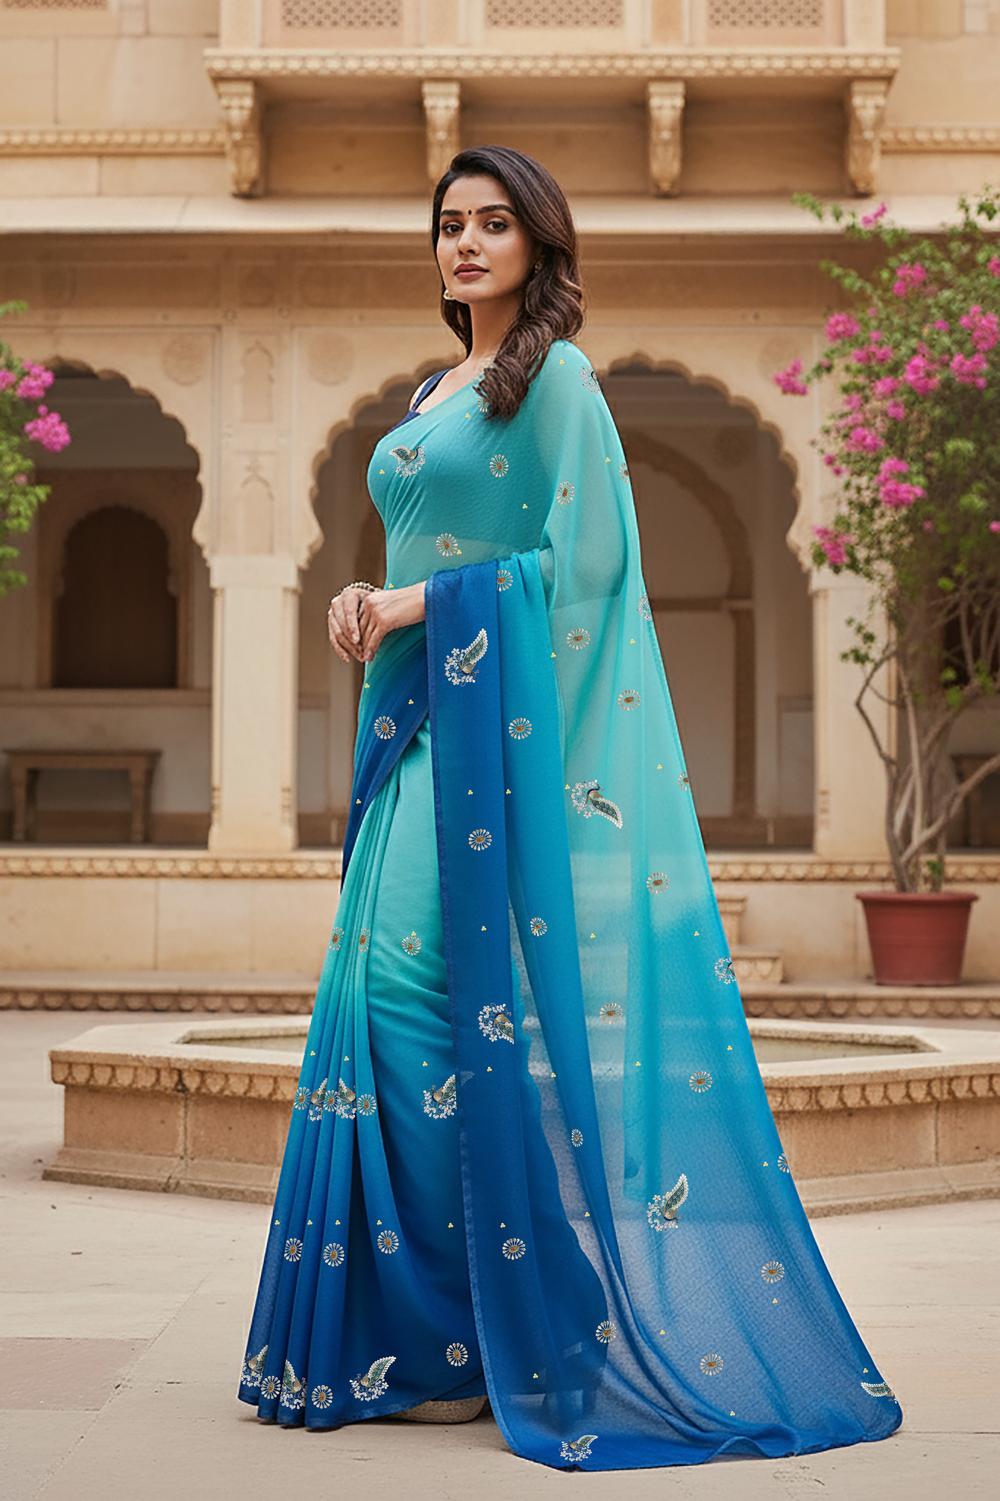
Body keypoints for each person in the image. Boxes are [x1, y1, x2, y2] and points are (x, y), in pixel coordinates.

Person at [238, 145, 901, 1471]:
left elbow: (586, 565)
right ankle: (427, 1335)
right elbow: (432, 539)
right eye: (450, 224)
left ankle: (476, 1338)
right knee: (375, 999)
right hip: (416, 726)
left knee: (418, 1007)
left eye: (494, 223)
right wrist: (367, 600)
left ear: (538, 245)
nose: (466, 242)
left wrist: (418, 602)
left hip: (484, 738)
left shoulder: (556, 381)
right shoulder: (435, 390)